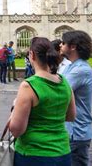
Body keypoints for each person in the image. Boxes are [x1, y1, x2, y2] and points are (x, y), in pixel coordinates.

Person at [10, 37, 76, 166]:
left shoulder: (29, 86)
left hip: (33, 154)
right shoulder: (64, 81)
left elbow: (16, 130)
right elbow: (71, 116)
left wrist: (14, 108)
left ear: (31, 55)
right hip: (62, 152)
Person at [60, 30, 92, 166]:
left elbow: (57, 91)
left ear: (73, 46)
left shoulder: (80, 70)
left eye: (63, 43)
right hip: (71, 130)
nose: (60, 46)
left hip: (76, 131)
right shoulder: (72, 66)